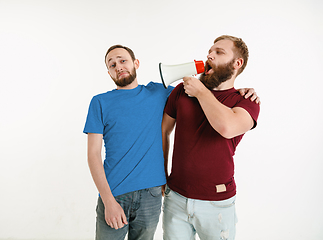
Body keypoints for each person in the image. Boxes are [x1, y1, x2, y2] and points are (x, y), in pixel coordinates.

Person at [83, 44, 259, 240]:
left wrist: (239, 90)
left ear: (136, 63)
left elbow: (212, 97)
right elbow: (93, 154)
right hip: (117, 193)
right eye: (112, 64)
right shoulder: (100, 102)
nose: (118, 66)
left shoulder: (159, 92)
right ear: (109, 72)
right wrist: (108, 200)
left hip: (152, 193)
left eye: (123, 60)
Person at [162, 35, 260, 240]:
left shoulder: (246, 101)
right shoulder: (182, 91)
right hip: (176, 199)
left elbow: (227, 127)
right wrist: (161, 174)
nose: (209, 55)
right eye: (210, 51)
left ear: (237, 63)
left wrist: (201, 92)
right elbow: (163, 131)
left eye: (219, 52)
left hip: (217, 204)